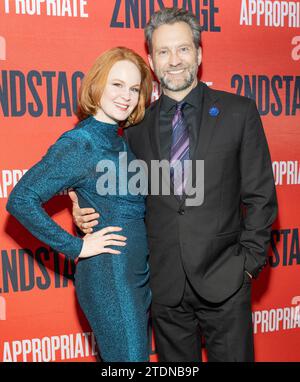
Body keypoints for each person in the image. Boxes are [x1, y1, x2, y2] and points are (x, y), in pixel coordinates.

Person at [73, 8, 278, 362]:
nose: (174, 61)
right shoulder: (135, 126)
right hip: (165, 286)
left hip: (226, 281)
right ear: (151, 60)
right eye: (164, 52)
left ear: (199, 54)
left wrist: (248, 264)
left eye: (183, 49)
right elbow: (118, 188)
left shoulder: (238, 112)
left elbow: (261, 197)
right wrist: (83, 205)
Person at [6, 47, 153, 362]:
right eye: (117, 84)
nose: (125, 95)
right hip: (110, 278)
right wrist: (76, 247)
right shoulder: (81, 142)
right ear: (98, 84)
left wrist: (77, 197)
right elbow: (21, 199)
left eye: (133, 88)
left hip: (133, 276)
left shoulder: (119, 137)